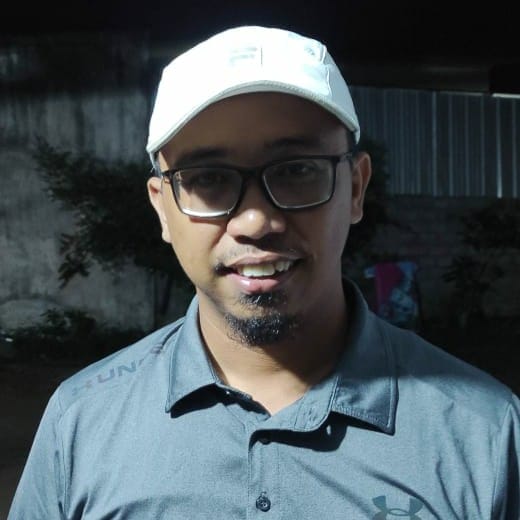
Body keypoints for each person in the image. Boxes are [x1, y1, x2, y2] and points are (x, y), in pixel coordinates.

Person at [8, 25, 519, 519]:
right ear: (163, 208)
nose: (255, 221)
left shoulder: (485, 435)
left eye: (297, 170)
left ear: (355, 188)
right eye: (208, 178)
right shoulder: (81, 421)